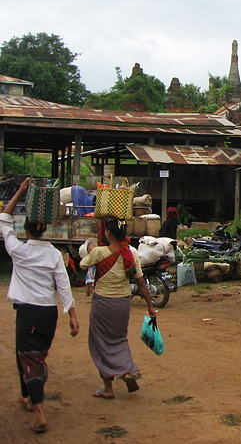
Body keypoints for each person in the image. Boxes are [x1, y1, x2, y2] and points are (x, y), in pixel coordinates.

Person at [1, 178, 80, 434]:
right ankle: (27, 397)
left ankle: (40, 413)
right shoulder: (54, 254)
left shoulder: (19, 250)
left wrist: (20, 192)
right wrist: (72, 315)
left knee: (31, 359)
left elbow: (3, 219)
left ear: (26, 230)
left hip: (29, 313)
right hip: (48, 313)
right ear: (44, 228)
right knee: (28, 354)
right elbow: (63, 286)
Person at [81, 217, 157, 399]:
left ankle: (108, 388)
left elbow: (84, 264)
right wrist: (150, 306)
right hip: (122, 302)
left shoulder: (99, 252)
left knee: (100, 342)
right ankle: (127, 370)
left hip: (102, 302)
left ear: (108, 233)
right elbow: (140, 282)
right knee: (119, 338)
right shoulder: (131, 253)